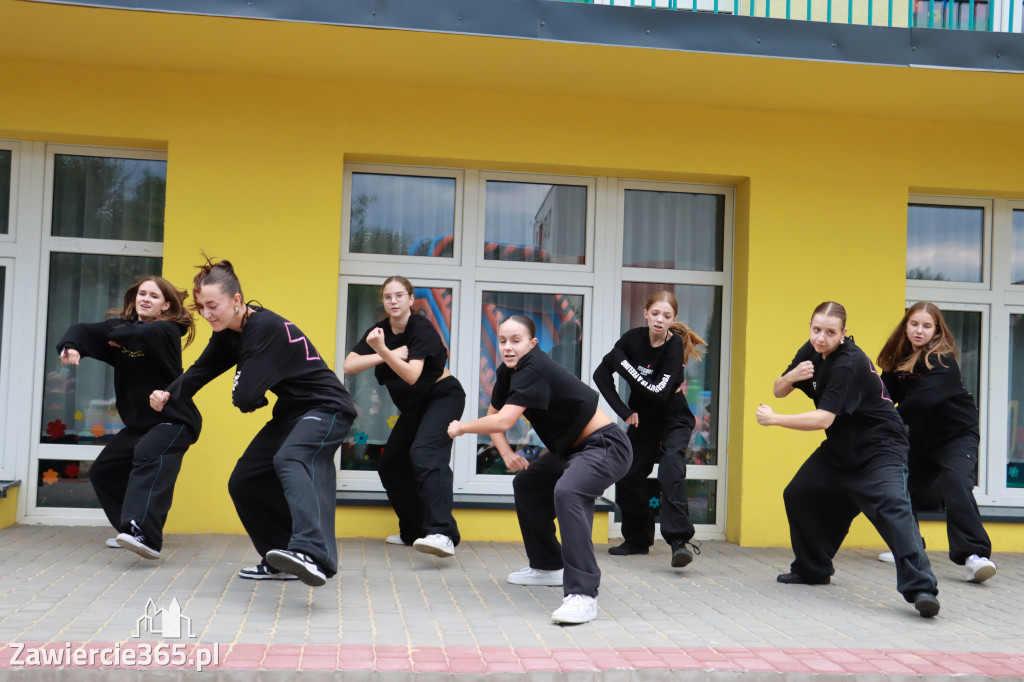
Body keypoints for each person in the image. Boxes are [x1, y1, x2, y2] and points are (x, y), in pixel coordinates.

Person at [150, 258, 355, 587]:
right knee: (245, 480)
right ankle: (283, 557)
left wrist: (255, 398)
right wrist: (168, 395)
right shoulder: (230, 333)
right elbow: (200, 371)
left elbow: (245, 397)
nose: (206, 314)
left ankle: (311, 553)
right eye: (201, 307)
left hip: (328, 409)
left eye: (212, 305)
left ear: (236, 300)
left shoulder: (264, 328)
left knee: (290, 458)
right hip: (293, 414)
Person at [755, 301, 941, 618]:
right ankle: (812, 569)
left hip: (881, 447)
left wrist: (775, 420)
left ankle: (921, 588)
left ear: (843, 333)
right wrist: (791, 377)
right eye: (816, 330)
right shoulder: (811, 351)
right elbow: (778, 390)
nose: (821, 338)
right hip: (842, 447)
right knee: (799, 494)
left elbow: (823, 419)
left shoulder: (847, 363)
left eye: (830, 332)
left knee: (893, 509)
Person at [447, 315, 632, 625]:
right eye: (502, 340)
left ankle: (584, 594)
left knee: (569, 491)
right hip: (570, 450)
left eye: (515, 340)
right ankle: (548, 565)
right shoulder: (509, 372)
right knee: (528, 484)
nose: (507, 347)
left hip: (605, 446)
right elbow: (496, 414)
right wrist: (506, 454)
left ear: (532, 343)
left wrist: (461, 427)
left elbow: (503, 421)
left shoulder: (533, 367)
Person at [57, 276, 201, 560]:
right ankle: (129, 529)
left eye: (154, 296)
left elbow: (142, 335)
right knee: (104, 471)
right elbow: (82, 330)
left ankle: (144, 533)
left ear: (165, 306)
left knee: (147, 455)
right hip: (140, 424)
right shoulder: (125, 329)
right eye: (142, 294)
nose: (145, 299)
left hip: (174, 420)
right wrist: (73, 346)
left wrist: (113, 336)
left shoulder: (167, 330)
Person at [342, 276, 464, 557]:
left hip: (442, 397)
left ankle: (442, 533)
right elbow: (350, 365)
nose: (393, 301)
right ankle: (414, 532)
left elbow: (411, 375)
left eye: (399, 295)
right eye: (388, 297)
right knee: (391, 464)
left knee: (425, 453)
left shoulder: (421, 327)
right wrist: (387, 353)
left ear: (410, 299)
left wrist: (382, 350)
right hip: (415, 407)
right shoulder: (379, 330)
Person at [875, 302, 996, 583]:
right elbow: (881, 397)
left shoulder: (942, 361)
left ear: (936, 330)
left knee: (956, 483)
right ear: (906, 326)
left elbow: (919, 401)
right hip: (921, 438)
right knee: (899, 483)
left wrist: (884, 423)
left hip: (957, 436)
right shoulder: (897, 361)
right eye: (914, 324)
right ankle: (909, 545)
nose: (919, 330)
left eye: (927, 326)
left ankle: (975, 557)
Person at [593, 291, 705, 567]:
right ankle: (637, 540)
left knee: (670, 469)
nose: (659, 319)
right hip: (643, 419)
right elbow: (600, 374)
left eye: (666, 316)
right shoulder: (632, 339)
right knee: (628, 472)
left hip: (674, 418)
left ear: (673, 319)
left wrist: (624, 365)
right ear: (646, 313)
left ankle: (679, 542)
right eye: (655, 313)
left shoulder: (674, 348)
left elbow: (658, 393)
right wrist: (624, 411)